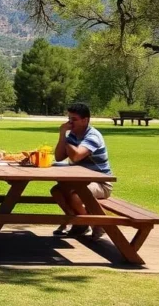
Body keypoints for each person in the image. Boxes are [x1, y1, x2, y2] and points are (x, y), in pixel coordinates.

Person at [51, 102, 114, 239]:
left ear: (85, 120)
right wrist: (63, 135)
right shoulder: (73, 135)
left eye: (74, 120)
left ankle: (95, 224)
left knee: (76, 195)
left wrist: (65, 138)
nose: (70, 123)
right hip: (81, 181)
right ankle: (77, 221)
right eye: (69, 119)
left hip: (101, 183)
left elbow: (76, 156)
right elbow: (59, 156)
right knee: (56, 191)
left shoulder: (93, 136)